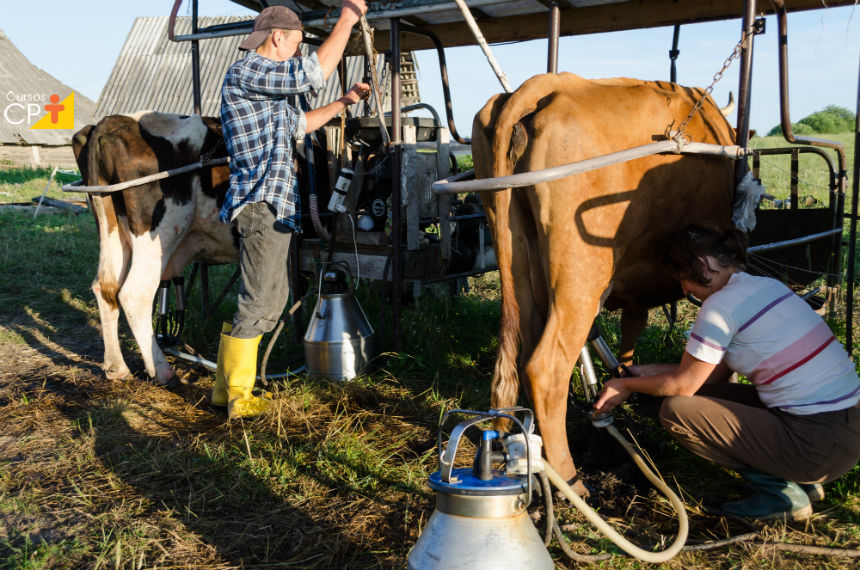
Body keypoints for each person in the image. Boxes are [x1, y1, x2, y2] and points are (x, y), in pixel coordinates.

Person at [593, 222, 860, 521]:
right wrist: (638, 373)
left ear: (702, 265)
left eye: (684, 279)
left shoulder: (720, 308)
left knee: (676, 410)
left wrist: (625, 387)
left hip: (815, 442)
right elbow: (709, 375)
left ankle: (782, 494)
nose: (684, 290)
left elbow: (683, 386)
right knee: (706, 394)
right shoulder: (765, 286)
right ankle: (801, 481)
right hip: (845, 428)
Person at [212, 2, 370, 419]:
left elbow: (299, 124)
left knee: (271, 296)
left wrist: (344, 101)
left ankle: (223, 388)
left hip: (275, 204)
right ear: (277, 37)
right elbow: (312, 71)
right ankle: (238, 397)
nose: (300, 53)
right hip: (262, 202)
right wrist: (348, 18)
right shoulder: (249, 71)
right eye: (298, 43)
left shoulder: (266, 88)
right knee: (259, 299)